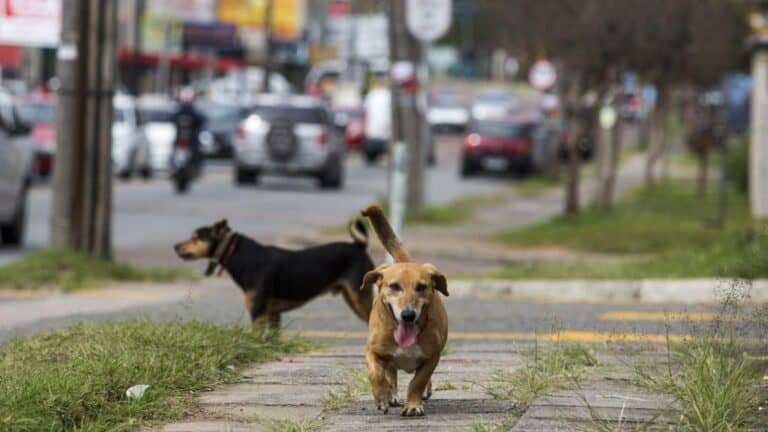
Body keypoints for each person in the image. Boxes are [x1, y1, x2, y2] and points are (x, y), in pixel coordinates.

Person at [171, 87, 205, 173]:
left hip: (190, 139)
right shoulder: (179, 111)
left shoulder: (192, 112)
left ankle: (197, 168)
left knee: (197, 151)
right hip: (180, 139)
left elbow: (201, 120)